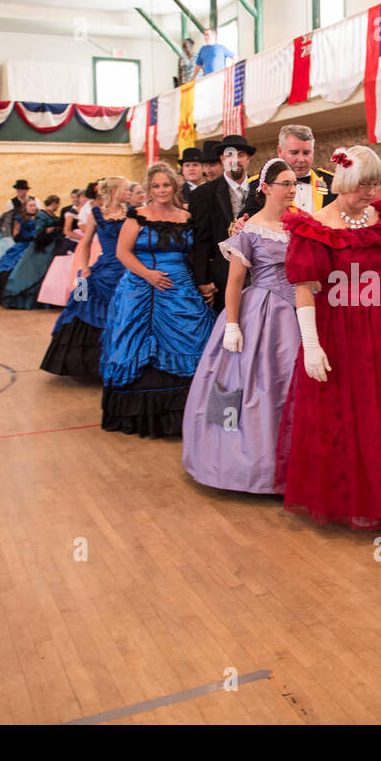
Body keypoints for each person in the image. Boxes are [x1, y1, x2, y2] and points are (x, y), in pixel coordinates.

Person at [277, 145, 381, 529]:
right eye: (364, 185)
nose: (371, 193)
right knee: (345, 413)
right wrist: (312, 345)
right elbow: (304, 288)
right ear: (345, 181)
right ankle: (348, 497)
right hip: (340, 329)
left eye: (376, 184)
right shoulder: (314, 226)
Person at [183, 158, 300, 493]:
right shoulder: (248, 230)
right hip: (261, 312)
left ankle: (298, 464)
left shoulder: (300, 225)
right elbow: (235, 281)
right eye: (285, 184)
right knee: (253, 387)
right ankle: (251, 467)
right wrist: (232, 324)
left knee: (293, 385)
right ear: (265, 189)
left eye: (294, 184)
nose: (291, 190)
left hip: (301, 310)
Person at [100, 162, 214, 436]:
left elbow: (193, 255)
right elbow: (123, 253)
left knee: (191, 337)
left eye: (166, 185)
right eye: (156, 185)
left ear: (174, 187)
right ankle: (141, 416)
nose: (161, 190)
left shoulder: (187, 217)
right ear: (149, 189)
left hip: (181, 287)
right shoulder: (136, 216)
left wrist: (201, 285)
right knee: (137, 342)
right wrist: (148, 275)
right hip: (142, 288)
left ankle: (186, 414)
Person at [40, 176, 130, 378]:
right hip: (101, 268)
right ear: (115, 191)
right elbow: (86, 243)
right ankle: (82, 363)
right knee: (79, 299)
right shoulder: (96, 214)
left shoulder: (132, 214)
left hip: (127, 269)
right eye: (126, 190)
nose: (129, 193)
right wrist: (84, 268)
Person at [189, 135, 256, 313]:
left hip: (259, 275)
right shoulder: (203, 194)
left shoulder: (262, 189)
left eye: (240, 154)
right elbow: (200, 241)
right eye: (229, 155)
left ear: (248, 158)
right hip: (222, 278)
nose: (235, 160)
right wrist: (202, 280)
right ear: (222, 159)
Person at [239, 124, 336, 218]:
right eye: (294, 152)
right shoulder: (260, 184)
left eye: (306, 153)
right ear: (280, 151)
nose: (301, 159)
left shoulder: (331, 182)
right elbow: (244, 222)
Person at [1, 195, 63, 309]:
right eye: (31, 205)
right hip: (42, 246)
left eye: (34, 205)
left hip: (53, 245)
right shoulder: (42, 215)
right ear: (54, 203)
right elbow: (39, 231)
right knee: (36, 270)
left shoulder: (52, 215)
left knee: (46, 271)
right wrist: (51, 229)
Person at [0, 197, 40, 302]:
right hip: (24, 244)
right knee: (10, 263)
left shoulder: (39, 217)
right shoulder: (20, 218)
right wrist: (26, 238)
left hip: (36, 245)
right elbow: (15, 235)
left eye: (34, 205)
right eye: (30, 205)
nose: (32, 208)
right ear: (25, 207)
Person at [36, 189, 86, 307]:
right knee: (68, 271)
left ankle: (82, 297)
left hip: (89, 241)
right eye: (83, 197)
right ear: (78, 199)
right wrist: (82, 238)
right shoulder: (72, 212)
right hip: (74, 241)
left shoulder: (90, 211)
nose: (85, 199)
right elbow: (67, 231)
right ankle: (67, 298)